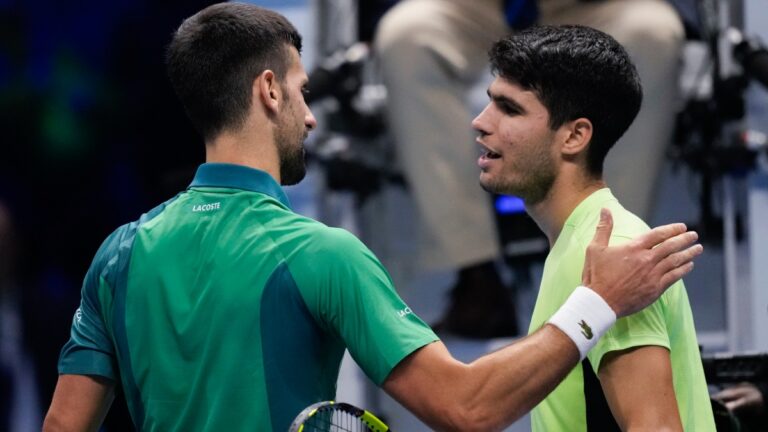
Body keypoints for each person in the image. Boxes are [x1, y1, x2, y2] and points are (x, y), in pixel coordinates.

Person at [42, 4, 703, 431]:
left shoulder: (118, 253)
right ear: (268, 92)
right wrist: (596, 304)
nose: (311, 115)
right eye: (301, 92)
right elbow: (467, 407)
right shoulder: (321, 254)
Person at [373, 0, 684, 337]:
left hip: (592, 6)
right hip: (476, 8)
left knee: (654, 34)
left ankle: (606, 263)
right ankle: (476, 276)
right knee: (405, 37)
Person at [471, 25, 714, 430]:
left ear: (575, 136)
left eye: (509, 109)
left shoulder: (611, 250)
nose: (480, 123)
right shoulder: (580, 244)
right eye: (488, 104)